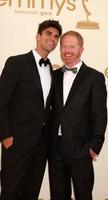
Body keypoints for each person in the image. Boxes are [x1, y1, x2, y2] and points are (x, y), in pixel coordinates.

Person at [0, 19, 62, 200]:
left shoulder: (51, 69)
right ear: (38, 36)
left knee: (31, 193)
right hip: (16, 142)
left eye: (56, 36)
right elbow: (2, 101)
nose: (53, 38)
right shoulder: (16, 63)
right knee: (10, 192)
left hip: (42, 146)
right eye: (49, 34)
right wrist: (5, 136)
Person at [48, 31, 107, 200]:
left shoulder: (95, 77)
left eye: (72, 46)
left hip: (81, 149)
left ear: (81, 49)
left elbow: (100, 114)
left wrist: (93, 147)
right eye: (64, 46)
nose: (67, 50)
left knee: (83, 195)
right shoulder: (54, 75)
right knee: (58, 195)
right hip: (55, 149)